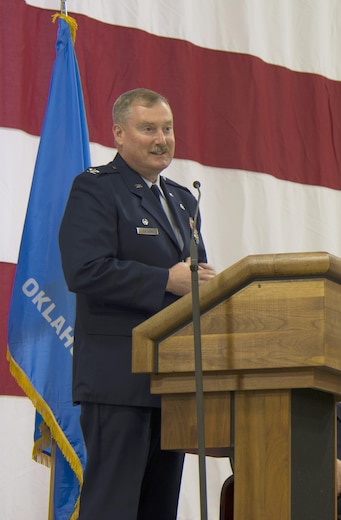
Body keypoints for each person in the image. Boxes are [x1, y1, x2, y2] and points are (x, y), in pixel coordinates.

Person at [59, 88, 217, 519]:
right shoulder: (95, 189)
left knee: (157, 510)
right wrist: (166, 279)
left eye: (167, 128)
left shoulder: (184, 199)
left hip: (174, 380)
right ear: (119, 134)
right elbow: (85, 270)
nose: (161, 138)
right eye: (148, 129)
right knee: (113, 508)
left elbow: (192, 280)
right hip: (119, 379)